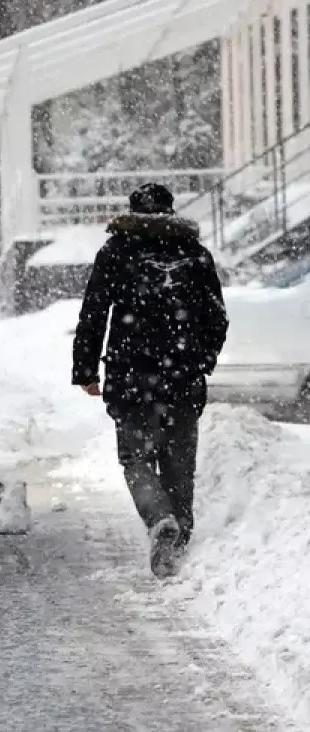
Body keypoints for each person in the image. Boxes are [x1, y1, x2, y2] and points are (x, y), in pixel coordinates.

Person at [72, 183, 229, 578]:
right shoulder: (195, 255)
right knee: (179, 462)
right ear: (171, 212)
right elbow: (217, 319)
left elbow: (93, 313)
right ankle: (179, 539)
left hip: (131, 376)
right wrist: (201, 361)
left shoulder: (115, 253)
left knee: (136, 458)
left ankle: (160, 520)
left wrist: (86, 371)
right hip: (182, 377)